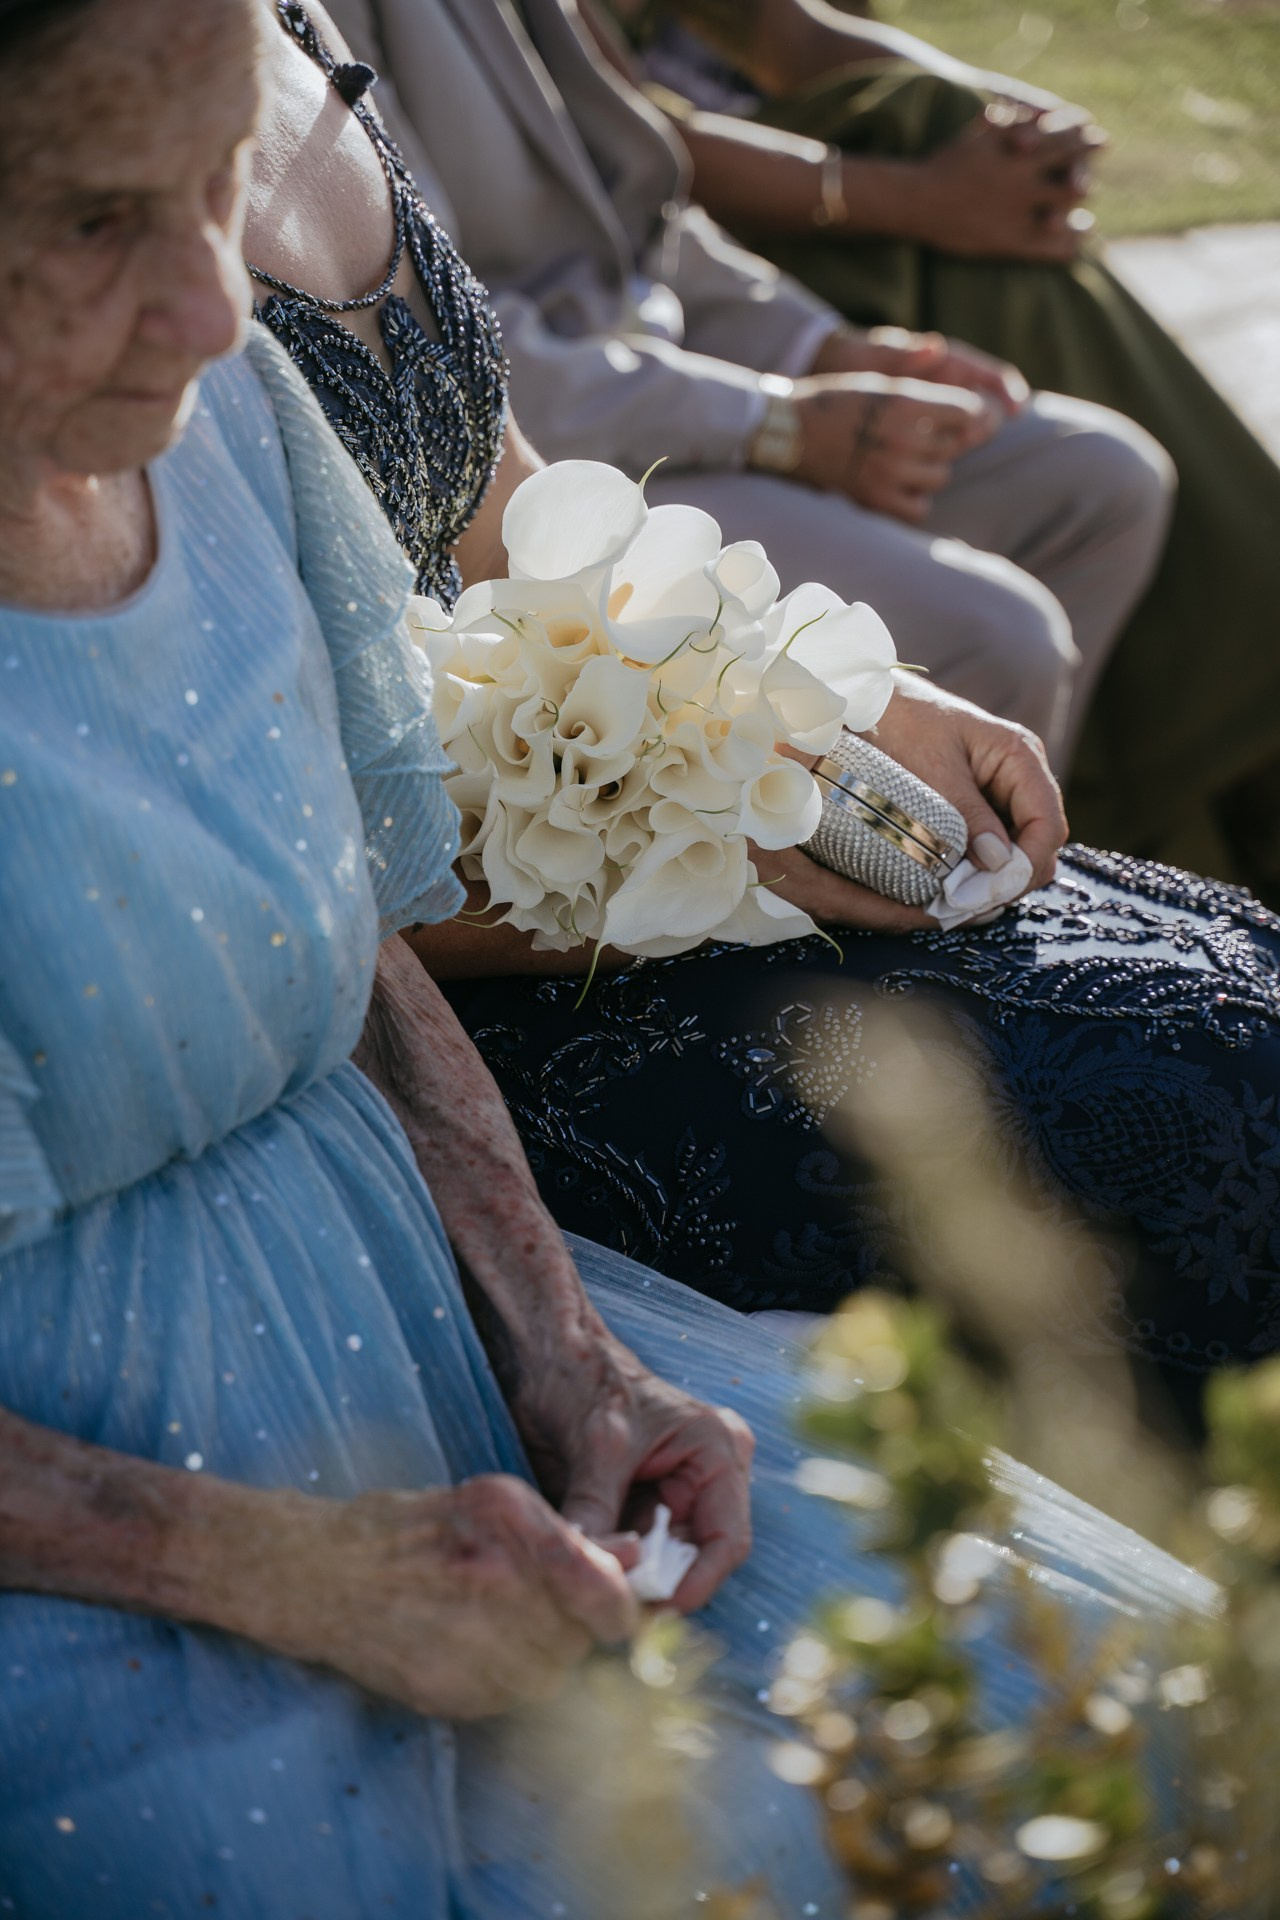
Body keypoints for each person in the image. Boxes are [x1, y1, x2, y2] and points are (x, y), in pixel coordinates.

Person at [0, 1, 1220, 1914]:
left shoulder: (214, 404)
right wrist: (275, 1570)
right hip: (97, 1516)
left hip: (411, 1293)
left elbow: (350, 936)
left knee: (1141, 1695)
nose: (207, 307)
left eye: (214, 197)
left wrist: (566, 1349)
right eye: (88, 221)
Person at [245, 0, 1280, 1437]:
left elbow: (524, 527)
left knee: (1231, 984)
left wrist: (818, 690)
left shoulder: (287, 27)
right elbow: (253, 908)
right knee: (1185, 1110)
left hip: (602, 863)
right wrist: (679, 850)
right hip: (435, 1014)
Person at [322, 0, 1178, 777]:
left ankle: (1021, 840)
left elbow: (638, 212)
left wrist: (826, 348)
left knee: (1106, 479)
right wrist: (778, 425)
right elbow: (436, 348)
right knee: (1000, 639)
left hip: (681, 384)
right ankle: (890, 903)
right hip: (547, 468)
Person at [591, 0, 1280, 891]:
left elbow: (780, 27)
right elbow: (615, 151)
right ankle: (1006, 869)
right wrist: (910, 197)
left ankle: (1092, 823)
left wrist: (1008, 120)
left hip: (732, 279)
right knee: (1010, 630)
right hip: (669, 319)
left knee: (1111, 472)